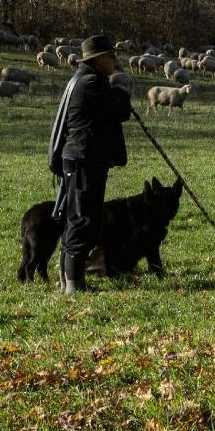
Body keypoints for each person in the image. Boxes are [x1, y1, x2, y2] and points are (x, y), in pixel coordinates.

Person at [47, 35, 133, 293]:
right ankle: (74, 284)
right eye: (111, 56)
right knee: (83, 219)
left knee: (78, 217)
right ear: (99, 59)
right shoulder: (92, 84)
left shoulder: (83, 80)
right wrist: (120, 90)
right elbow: (120, 111)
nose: (114, 61)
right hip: (85, 159)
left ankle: (69, 280)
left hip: (81, 158)